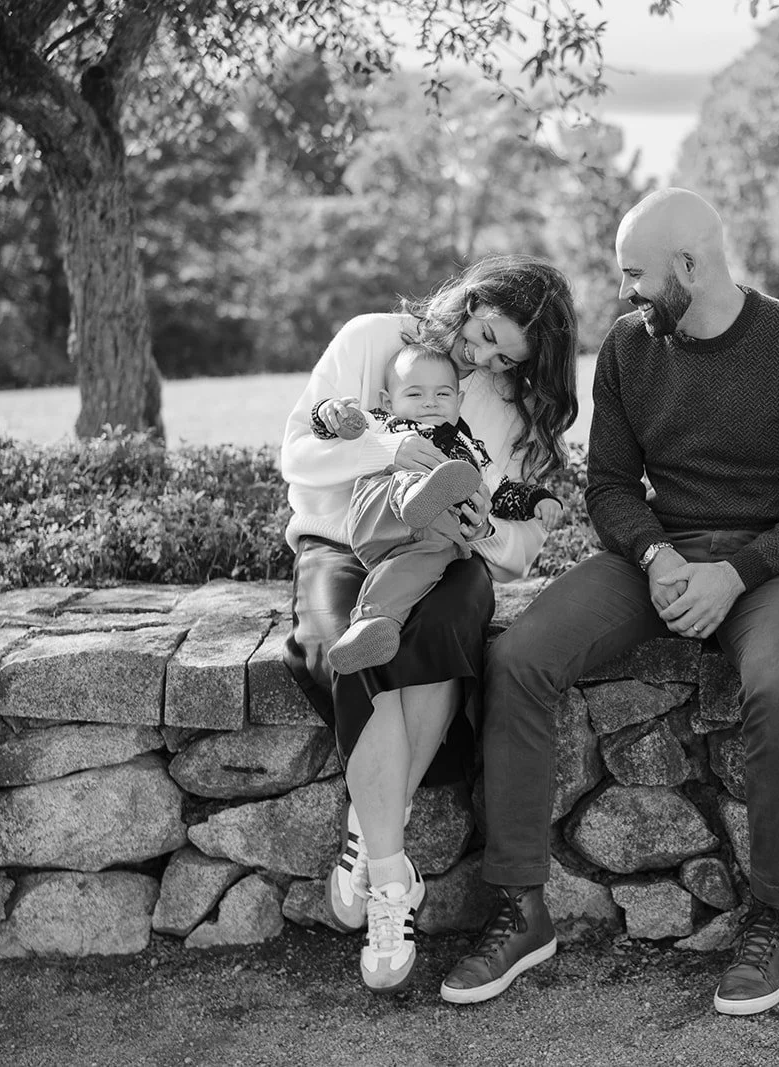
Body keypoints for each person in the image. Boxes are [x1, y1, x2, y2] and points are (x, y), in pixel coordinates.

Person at [442, 189, 779, 1016]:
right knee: (519, 657)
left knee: (778, 689)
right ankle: (520, 908)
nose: (626, 290)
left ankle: (775, 915)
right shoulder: (632, 347)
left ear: (690, 264)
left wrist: (734, 572)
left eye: (636, 273)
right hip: (656, 558)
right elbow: (607, 485)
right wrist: (659, 553)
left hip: (776, 568)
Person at [279, 256, 578, 995]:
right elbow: (297, 454)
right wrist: (387, 448)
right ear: (469, 301)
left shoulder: (509, 408)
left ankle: (368, 839)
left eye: (506, 357)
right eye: (483, 336)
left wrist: (481, 527)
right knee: (342, 647)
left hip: (450, 559)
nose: (483, 360)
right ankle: (391, 873)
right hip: (342, 541)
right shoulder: (372, 340)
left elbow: (515, 551)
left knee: (441, 637)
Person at [312, 341, 563, 674]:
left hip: (428, 540)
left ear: (458, 401)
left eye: (442, 395)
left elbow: (501, 491)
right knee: (402, 479)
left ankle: (372, 626)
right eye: (415, 395)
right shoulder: (387, 424)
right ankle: (417, 494)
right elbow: (341, 427)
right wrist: (331, 413)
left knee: (416, 571)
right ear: (389, 401)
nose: (430, 402)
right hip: (382, 512)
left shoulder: (471, 450)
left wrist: (537, 499)